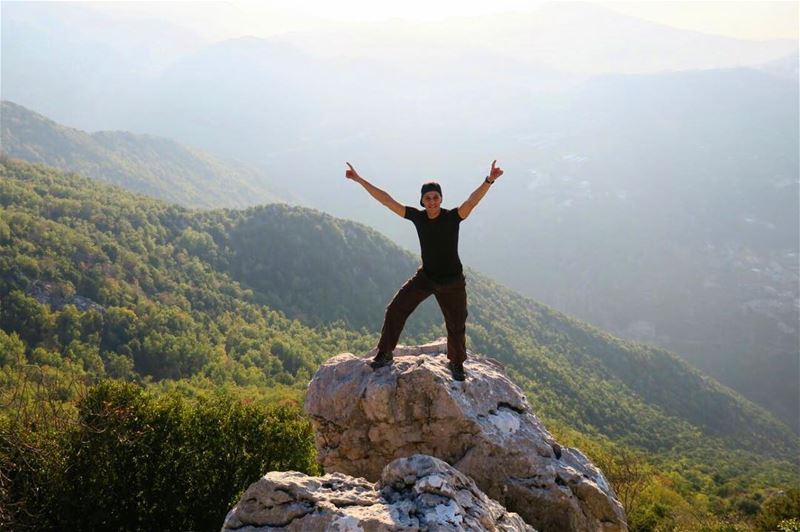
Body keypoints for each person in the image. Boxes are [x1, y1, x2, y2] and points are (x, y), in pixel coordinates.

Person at [345, 160, 504, 381]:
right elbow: (387, 201)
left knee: (456, 325)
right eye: (427, 198)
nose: (431, 201)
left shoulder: (453, 217)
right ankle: (385, 352)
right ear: (422, 200)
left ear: (441, 199)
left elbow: (472, 201)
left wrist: (489, 180)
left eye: (435, 197)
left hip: (452, 281)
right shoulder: (418, 217)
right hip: (427, 277)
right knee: (396, 308)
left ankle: (456, 363)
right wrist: (360, 180)